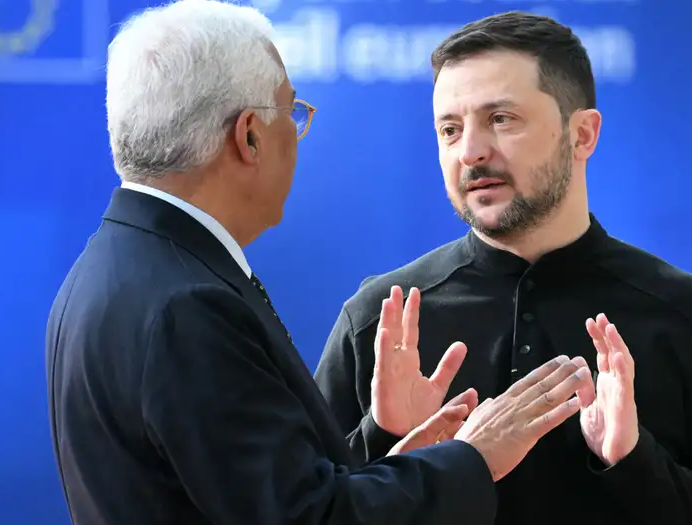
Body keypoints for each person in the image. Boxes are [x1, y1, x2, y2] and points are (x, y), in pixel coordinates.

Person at [44, 2, 596, 524]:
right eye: (292, 112)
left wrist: (384, 441)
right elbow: (308, 516)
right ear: (250, 135)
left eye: (502, 119)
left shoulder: (112, 271)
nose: (298, 133)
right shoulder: (187, 303)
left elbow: (266, 495)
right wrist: (473, 457)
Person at [314, 11, 692, 525]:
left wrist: (634, 462)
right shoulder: (381, 320)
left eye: (501, 119)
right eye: (450, 130)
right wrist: (384, 435)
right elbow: (304, 509)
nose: (472, 153)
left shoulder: (690, 316)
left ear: (583, 135)